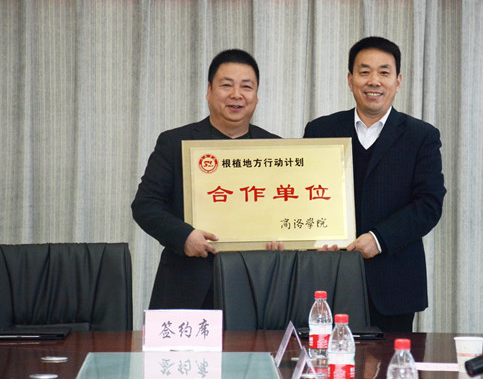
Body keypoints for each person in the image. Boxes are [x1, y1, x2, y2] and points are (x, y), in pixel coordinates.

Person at [303, 37, 446, 332]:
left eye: (384, 72)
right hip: (329, 277)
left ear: (398, 81)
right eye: (364, 71)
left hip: (394, 284)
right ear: (350, 79)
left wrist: (378, 238)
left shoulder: (421, 136)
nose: (374, 81)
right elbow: (304, 195)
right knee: (326, 357)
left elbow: (428, 205)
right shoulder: (320, 130)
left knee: (391, 359)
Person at [132, 49, 280, 310]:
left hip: (257, 285)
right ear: (209, 91)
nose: (236, 94)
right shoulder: (174, 142)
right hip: (188, 283)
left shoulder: (277, 149)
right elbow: (145, 206)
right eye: (226, 85)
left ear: (256, 97)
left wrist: (286, 238)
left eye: (246, 87)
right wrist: (185, 237)